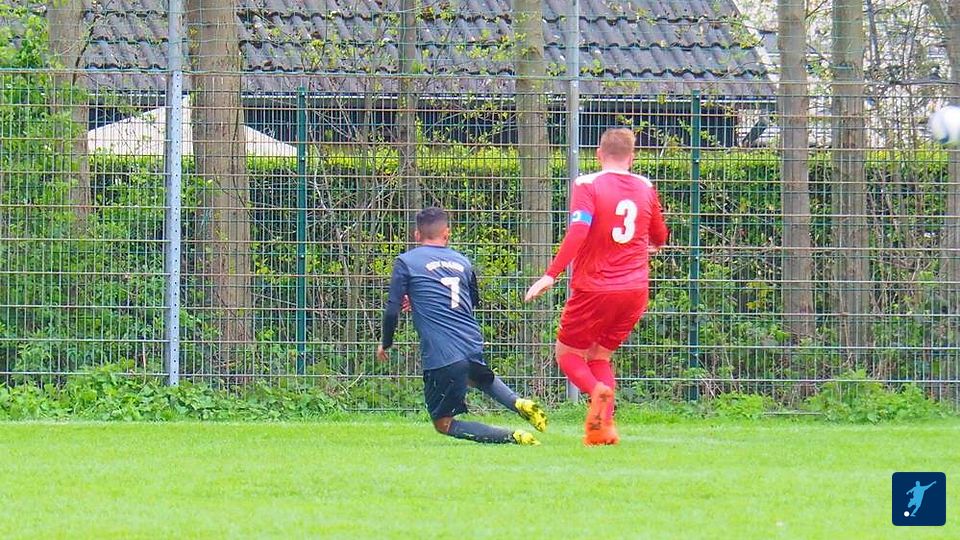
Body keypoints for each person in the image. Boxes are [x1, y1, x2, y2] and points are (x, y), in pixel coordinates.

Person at [524, 127, 668, 445]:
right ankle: (603, 429)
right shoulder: (645, 186)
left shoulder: (587, 184)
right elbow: (660, 235)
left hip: (595, 287)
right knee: (599, 355)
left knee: (567, 354)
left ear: (599, 154)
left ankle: (596, 391)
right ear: (632, 157)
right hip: (635, 290)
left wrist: (551, 274)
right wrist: (652, 245)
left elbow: (579, 230)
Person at [378, 207, 547, 445]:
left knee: (443, 423)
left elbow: (391, 310)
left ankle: (513, 436)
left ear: (416, 235)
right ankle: (518, 402)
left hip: (442, 353)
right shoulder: (463, 262)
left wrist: (385, 343)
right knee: (476, 377)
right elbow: (472, 300)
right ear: (446, 233)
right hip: (470, 342)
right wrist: (423, 299)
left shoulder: (406, 262)